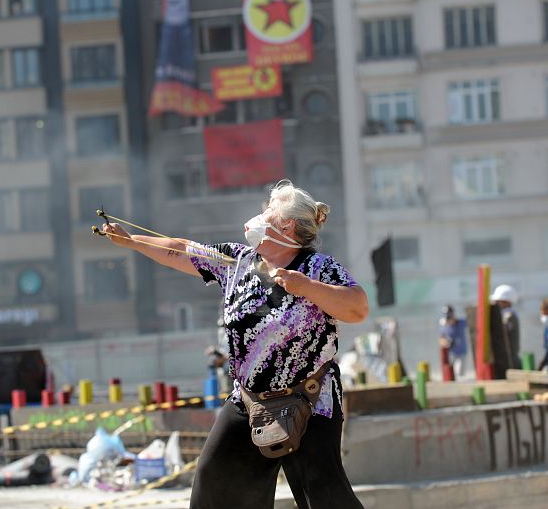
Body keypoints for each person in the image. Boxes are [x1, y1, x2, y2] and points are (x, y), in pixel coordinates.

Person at [101, 180, 367, 509]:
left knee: (324, 496)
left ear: (287, 225)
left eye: (268, 211)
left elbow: (358, 307)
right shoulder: (236, 261)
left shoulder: (319, 268)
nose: (260, 216)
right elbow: (180, 249)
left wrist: (307, 287)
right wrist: (132, 241)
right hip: (248, 400)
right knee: (215, 484)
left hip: (311, 401)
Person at [490, 284, 521, 369]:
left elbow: (501, 330)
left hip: (509, 361)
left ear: (506, 302)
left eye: (497, 301)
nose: (495, 303)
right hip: (504, 359)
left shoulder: (509, 316)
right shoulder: (504, 314)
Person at [438, 305, 467, 378]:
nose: (448, 316)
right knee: (450, 372)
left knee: (459, 371)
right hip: (450, 353)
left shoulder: (460, 322)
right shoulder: (443, 325)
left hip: (461, 352)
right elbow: (441, 339)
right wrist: (447, 343)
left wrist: (454, 321)